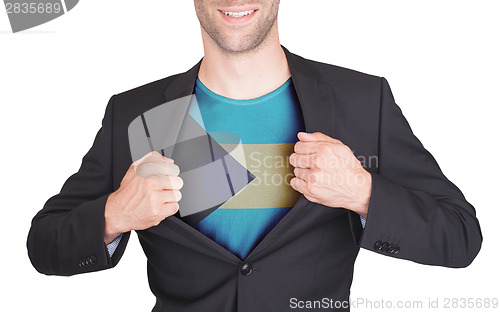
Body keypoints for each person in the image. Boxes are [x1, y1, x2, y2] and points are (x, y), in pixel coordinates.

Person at [27, 1, 482, 311]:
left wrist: (363, 192)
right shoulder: (136, 113)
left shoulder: (361, 101)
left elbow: (460, 236)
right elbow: (44, 245)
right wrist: (114, 214)